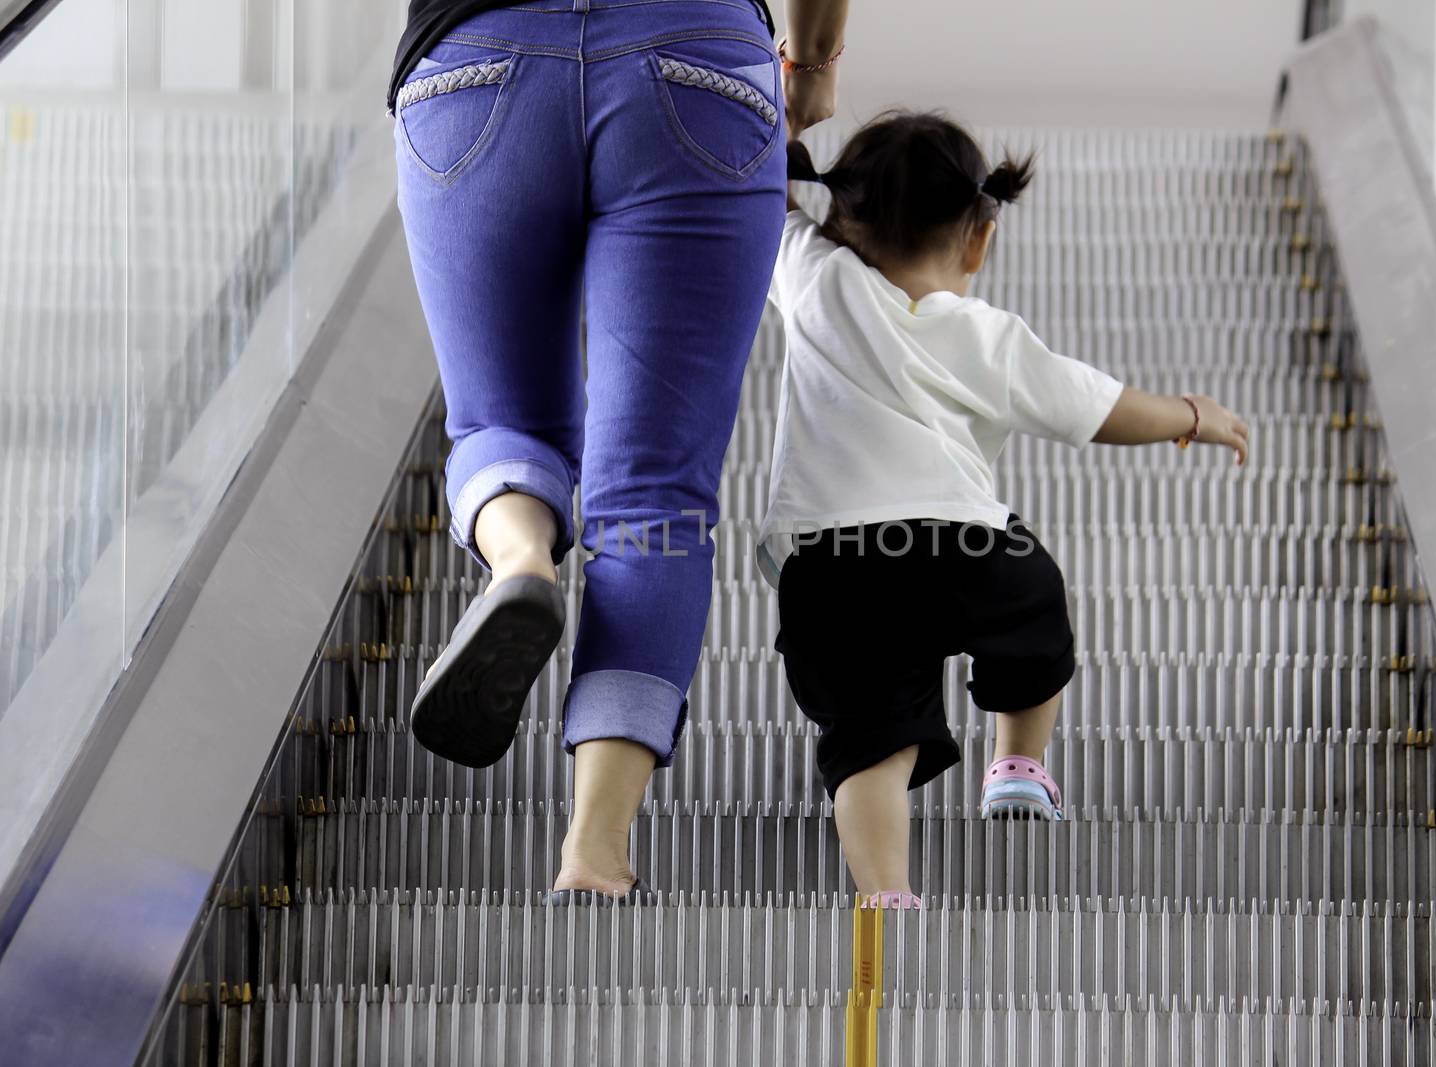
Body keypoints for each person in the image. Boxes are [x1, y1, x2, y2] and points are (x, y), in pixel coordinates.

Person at [389, 0, 847, 897]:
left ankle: (520, 558)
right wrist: (816, 61)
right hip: (698, 63)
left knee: (496, 423)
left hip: (471, 62)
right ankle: (594, 852)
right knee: (655, 497)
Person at [764, 113, 1250, 909]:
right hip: (963, 543)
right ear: (978, 241)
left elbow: (764, 206)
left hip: (831, 565)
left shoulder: (815, 278)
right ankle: (1017, 766)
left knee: (870, 743)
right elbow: (1098, 409)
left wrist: (778, 123)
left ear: (835, 221)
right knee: (1036, 620)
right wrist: (1191, 414)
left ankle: (886, 892)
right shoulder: (988, 334)